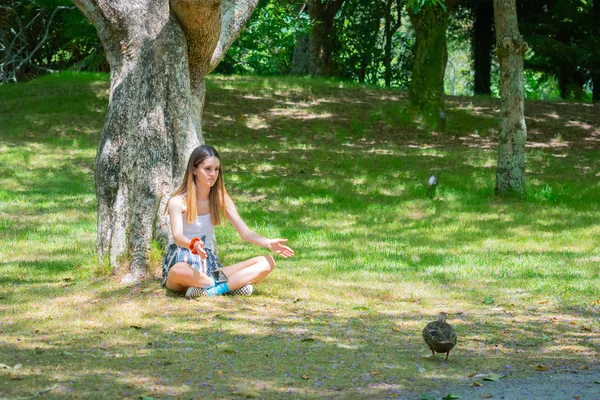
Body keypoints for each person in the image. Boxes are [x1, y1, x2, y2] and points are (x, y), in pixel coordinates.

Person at [162, 145, 294, 299]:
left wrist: (268, 243)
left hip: (209, 266)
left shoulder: (220, 198)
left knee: (267, 262)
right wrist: (193, 244)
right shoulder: (178, 201)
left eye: (217, 169)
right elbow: (177, 236)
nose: (213, 174)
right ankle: (229, 286)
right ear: (194, 169)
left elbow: (245, 232)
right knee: (179, 271)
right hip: (182, 263)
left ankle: (212, 291)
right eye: (208, 169)